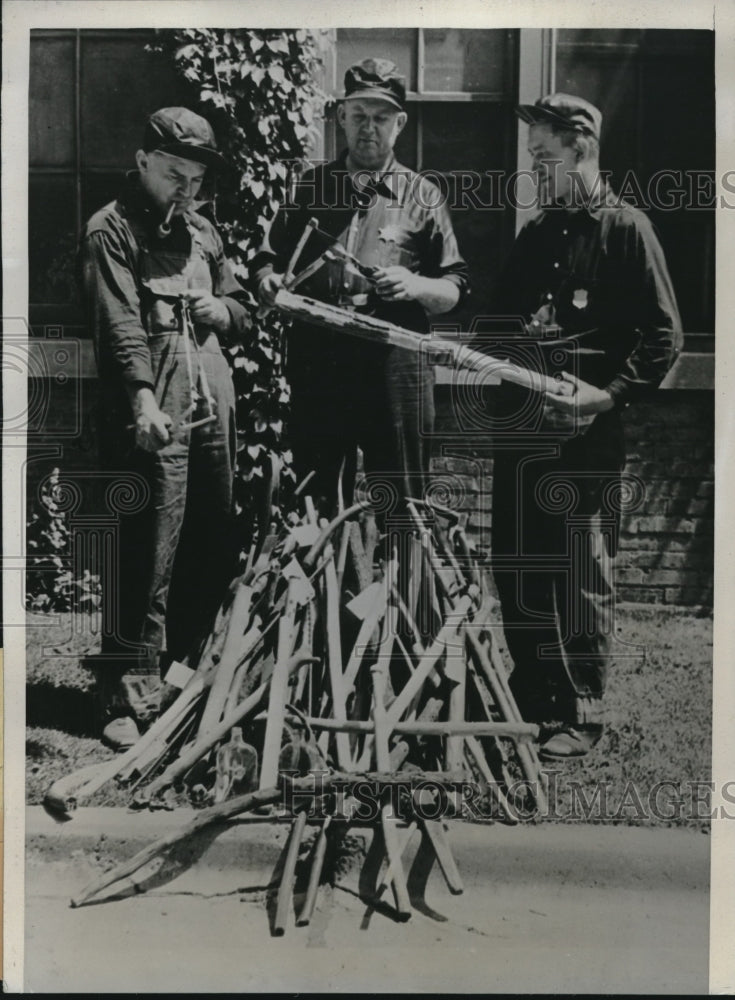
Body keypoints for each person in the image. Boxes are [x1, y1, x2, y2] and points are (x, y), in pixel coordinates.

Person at [485, 93, 682, 760]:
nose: (535, 168)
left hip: (586, 436)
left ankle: (581, 710)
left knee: (577, 568)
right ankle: (535, 696)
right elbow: (494, 326)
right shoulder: (535, 236)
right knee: (517, 564)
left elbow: (663, 337)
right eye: (532, 157)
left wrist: (605, 395)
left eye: (545, 156)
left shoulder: (626, 230)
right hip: (524, 431)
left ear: (582, 149)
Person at [79, 107, 251, 749]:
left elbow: (244, 310)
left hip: (213, 401)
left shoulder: (205, 232)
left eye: (197, 178)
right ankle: (125, 694)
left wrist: (223, 310)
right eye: (175, 174)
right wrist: (145, 401)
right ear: (144, 161)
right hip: (154, 403)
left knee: (210, 535)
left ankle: (183, 681)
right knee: (146, 543)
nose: (186, 189)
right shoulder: (111, 231)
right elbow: (120, 325)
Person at [252, 57, 469, 513]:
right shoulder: (309, 189)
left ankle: (403, 584)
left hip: (396, 365)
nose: (369, 128)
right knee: (316, 502)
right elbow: (266, 262)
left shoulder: (422, 196)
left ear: (400, 123)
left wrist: (413, 284)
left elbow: (454, 288)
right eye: (359, 116)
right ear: (341, 117)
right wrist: (268, 282)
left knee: (405, 503)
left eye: (381, 117)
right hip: (320, 362)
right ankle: (325, 586)